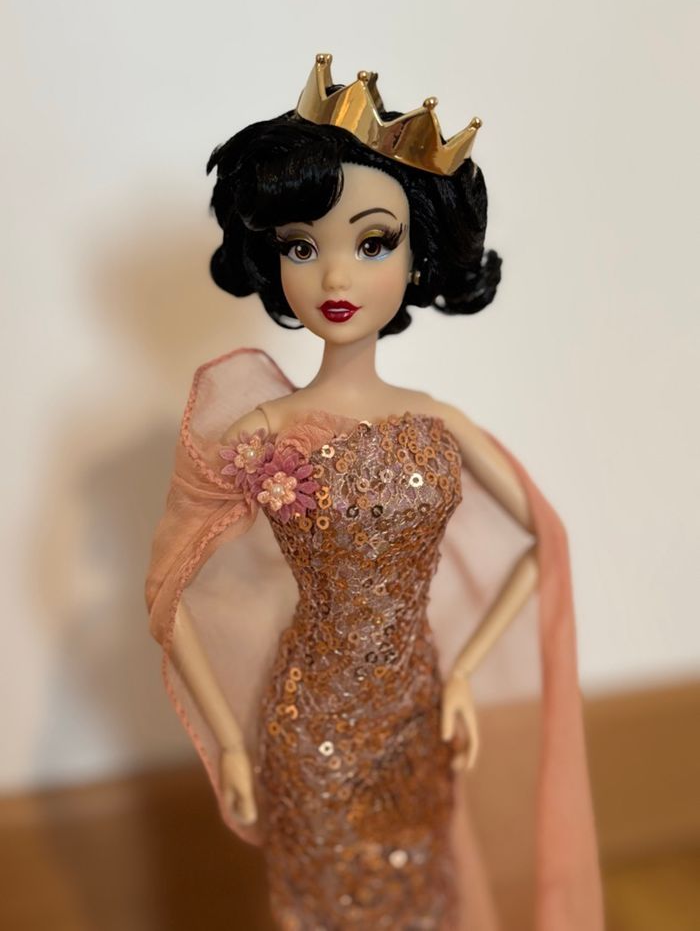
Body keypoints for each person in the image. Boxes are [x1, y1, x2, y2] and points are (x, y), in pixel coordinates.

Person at [144, 53, 604, 929]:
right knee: (325, 900)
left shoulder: (437, 421)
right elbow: (168, 588)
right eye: (301, 247)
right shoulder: (262, 434)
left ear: (417, 254)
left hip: (416, 714)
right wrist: (232, 742)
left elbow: (545, 541)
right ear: (273, 258)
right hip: (309, 721)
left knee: (416, 887)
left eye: (372, 242)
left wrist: (462, 672)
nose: (335, 279)